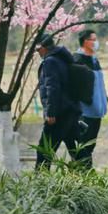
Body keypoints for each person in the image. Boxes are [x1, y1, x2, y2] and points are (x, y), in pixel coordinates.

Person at [34, 34, 81, 170]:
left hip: (59, 113)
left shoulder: (50, 62)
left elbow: (52, 88)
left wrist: (50, 112)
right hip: (70, 110)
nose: (37, 52)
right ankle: (86, 180)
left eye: (38, 49)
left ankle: (40, 185)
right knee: (76, 151)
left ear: (43, 47)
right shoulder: (63, 59)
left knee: (44, 151)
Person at [72, 28, 108, 169]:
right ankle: (83, 172)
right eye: (93, 40)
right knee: (84, 144)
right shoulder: (78, 60)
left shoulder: (94, 60)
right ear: (85, 42)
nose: (95, 42)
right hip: (85, 111)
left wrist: (105, 100)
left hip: (97, 110)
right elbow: (75, 88)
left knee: (91, 144)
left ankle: (86, 171)